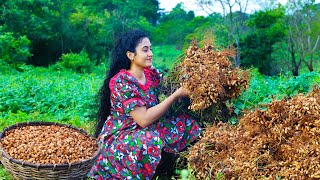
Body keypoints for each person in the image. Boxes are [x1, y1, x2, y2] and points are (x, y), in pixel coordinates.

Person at [88, 29, 202, 179]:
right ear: (131, 55)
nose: (151, 53)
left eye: (151, 49)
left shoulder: (151, 73)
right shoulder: (122, 81)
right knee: (150, 140)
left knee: (188, 123)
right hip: (124, 133)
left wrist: (194, 79)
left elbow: (170, 85)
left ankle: (175, 168)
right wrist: (176, 95)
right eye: (145, 50)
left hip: (151, 126)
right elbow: (143, 120)